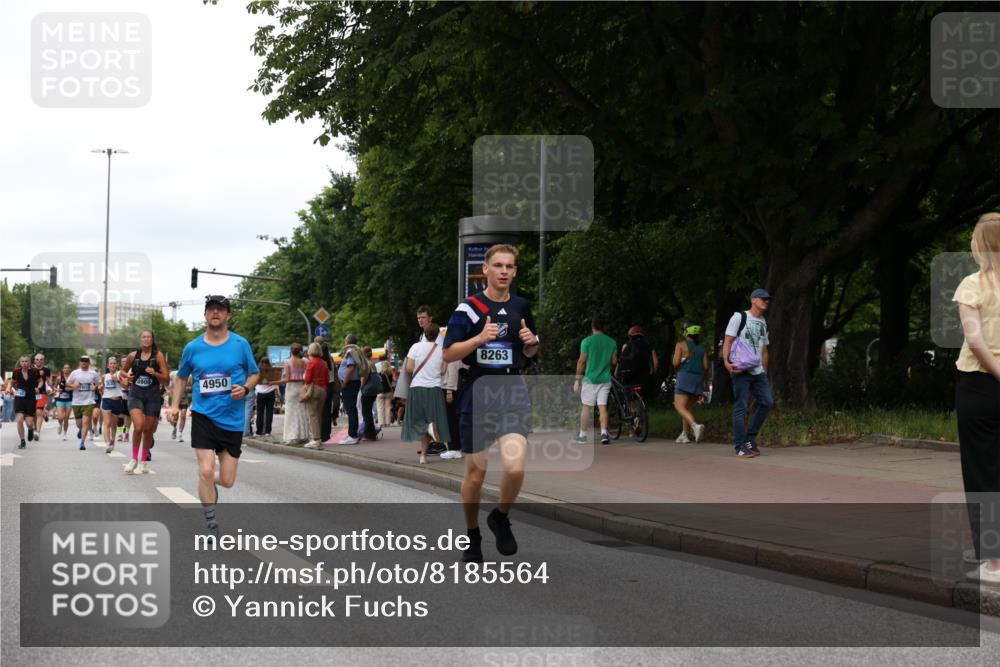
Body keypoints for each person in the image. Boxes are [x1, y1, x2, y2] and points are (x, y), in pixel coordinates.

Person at [443, 244, 540, 563]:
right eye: (497, 265)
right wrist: (478, 339)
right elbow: (449, 353)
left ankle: (500, 516)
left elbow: (528, 352)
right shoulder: (468, 309)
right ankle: (473, 536)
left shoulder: (521, 306)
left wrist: (532, 345)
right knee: (476, 474)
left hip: (512, 390)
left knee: (514, 468)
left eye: (509, 266)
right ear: (485, 270)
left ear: (514, 272)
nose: (503, 271)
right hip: (478, 392)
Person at [168, 295, 259, 539]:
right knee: (206, 470)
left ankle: (208, 485)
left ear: (228, 315)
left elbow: (254, 373)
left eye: (220, 310)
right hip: (203, 416)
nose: (215, 313)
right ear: (205, 315)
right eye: (211, 310)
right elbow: (180, 377)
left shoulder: (240, 345)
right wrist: (175, 406)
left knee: (227, 480)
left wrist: (246, 388)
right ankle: (210, 524)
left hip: (231, 419)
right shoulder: (193, 347)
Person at [953, 212, 1000, 583]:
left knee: (983, 470)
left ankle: (995, 562)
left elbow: (975, 340)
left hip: (980, 384)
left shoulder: (973, 285)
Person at [722, 289, 774, 459]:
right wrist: (726, 362)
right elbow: (728, 340)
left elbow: (765, 349)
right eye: (763, 299)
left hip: (758, 372)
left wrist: (764, 372)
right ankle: (740, 447)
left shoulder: (763, 321)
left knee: (767, 402)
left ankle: (750, 438)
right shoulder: (739, 317)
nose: (766, 302)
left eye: (768, 300)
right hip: (741, 370)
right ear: (753, 300)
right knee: (741, 408)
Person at [119, 330, 170, 474]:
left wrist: (156, 373)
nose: (146, 339)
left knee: (148, 430)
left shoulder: (158, 356)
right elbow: (123, 371)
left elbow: (167, 379)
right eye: (144, 337)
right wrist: (126, 377)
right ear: (140, 340)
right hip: (136, 395)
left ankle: (143, 460)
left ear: (152, 340)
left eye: (149, 337)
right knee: (139, 426)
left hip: (153, 396)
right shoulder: (133, 356)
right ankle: (134, 459)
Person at [402, 323, 450, 463]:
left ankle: (424, 451)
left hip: (417, 388)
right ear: (437, 336)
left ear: (424, 334)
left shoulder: (415, 347)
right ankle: (423, 454)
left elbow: (409, 368)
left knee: (416, 419)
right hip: (434, 389)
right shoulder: (442, 350)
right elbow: (442, 371)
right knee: (431, 420)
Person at [573, 316, 618, 445]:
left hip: (590, 379)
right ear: (603, 327)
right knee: (603, 407)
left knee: (586, 407)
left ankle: (583, 435)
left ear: (592, 326)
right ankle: (604, 433)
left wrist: (577, 380)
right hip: (605, 379)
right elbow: (614, 361)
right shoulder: (611, 342)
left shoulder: (586, 341)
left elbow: (581, 362)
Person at [672, 323, 709, 444]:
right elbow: (706, 366)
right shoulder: (702, 348)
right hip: (698, 378)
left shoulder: (680, 345)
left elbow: (675, 363)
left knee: (679, 406)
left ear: (686, 332)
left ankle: (695, 426)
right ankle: (685, 435)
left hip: (684, 377)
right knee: (687, 408)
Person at [338, 334, 368, 445]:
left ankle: (353, 435)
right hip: (352, 383)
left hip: (349, 384)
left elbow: (350, 368)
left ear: (347, 341)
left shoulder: (350, 352)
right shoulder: (355, 350)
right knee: (351, 410)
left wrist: (344, 383)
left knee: (351, 410)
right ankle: (352, 434)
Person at [66, 355, 101, 450]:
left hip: (89, 401)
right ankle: (81, 430)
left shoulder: (93, 373)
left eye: (86, 361)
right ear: (80, 362)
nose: (84, 362)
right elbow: (66, 384)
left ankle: (82, 443)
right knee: (79, 424)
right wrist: (74, 386)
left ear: (89, 362)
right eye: (82, 361)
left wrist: (96, 387)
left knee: (86, 422)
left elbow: (100, 383)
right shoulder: (75, 373)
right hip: (76, 402)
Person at [302, 342, 330, 449]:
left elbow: (307, 379)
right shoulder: (324, 363)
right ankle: (319, 438)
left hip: (313, 389)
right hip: (323, 389)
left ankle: (316, 439)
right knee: (319, 414)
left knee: (312, 415)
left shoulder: (311, 363)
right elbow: (327, 379)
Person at [11, 355, 43, 448]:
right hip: (19, 398)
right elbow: (12, 382)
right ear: (20, 363)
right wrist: (15, 389)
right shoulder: (16, 372)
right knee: (19, 420)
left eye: (26, 361)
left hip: (30, 398)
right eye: (22, 361)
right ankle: (22, 441)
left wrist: (38, 387)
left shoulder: (35, 371)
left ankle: (30, 429)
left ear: (29, 363)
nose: (24, 363)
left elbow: (40, 381)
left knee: (29, 423)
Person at [281, 343, 310, 444]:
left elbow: (287, 379)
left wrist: (273, 382)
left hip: (291, 388)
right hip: (301, 387)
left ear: (291, 351)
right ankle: (303, 435)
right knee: (302, 411)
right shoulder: (304, 362)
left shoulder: (287, 362)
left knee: (290, 412)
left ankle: (292, 436)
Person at [101, 356, 127, 454]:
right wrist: (100, 388)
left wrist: (118, 380)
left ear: (116, 365)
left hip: (117, 400)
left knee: (113, 425)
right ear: (108, 366)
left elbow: (125, 386)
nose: (112, 365)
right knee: (107, 423)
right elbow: (102, 387)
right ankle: (108, 444)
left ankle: (112, 442)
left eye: (114, 363)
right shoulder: (104, 376)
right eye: (110, 363)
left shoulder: (120, 374)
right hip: (106, 400)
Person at [254, 357, 278, 439]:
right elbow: (275, 381)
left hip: (260, 393)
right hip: (270, 393)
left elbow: (255, 382)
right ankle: (268, 431)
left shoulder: (257, 371)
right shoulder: (272, 371)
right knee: (269, 413)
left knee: (259, 413)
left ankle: (259, 431)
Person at [32, 353, 52, 440]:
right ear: (34, 360)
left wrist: (50, 387)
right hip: (31, 393)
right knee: (32, 413)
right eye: (37, 359)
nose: (39, 361)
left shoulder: (46, 370)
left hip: (42, 393)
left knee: (38, 412)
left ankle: (38, 432)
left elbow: (49, 381)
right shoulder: (30, 368)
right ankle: (34, 427)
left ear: (43, 361)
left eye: (41, 359)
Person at [169, 370, 193, 442]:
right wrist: (173, 390)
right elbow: (169, 386)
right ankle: (174, 428)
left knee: (183, 415)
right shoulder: (173, 374)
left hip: (184, 399)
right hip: (175, 398)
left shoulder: (190, 376)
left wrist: (186, 389)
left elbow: (192, 388)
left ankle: (180, 433)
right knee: (175, 416)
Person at [53, 363, 73, 440]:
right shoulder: (59, 378)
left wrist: (70, 389)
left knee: (66, 418)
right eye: (65, 368)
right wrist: (58, 389)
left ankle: (65, 434)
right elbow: (54, 387)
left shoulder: (72, 378)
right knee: (61, 417)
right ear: (63, 369)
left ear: (70, 369)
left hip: (69, 400)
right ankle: (60, 424)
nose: (66, 369)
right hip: (60, 399)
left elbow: (75, 387)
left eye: (68, 368)